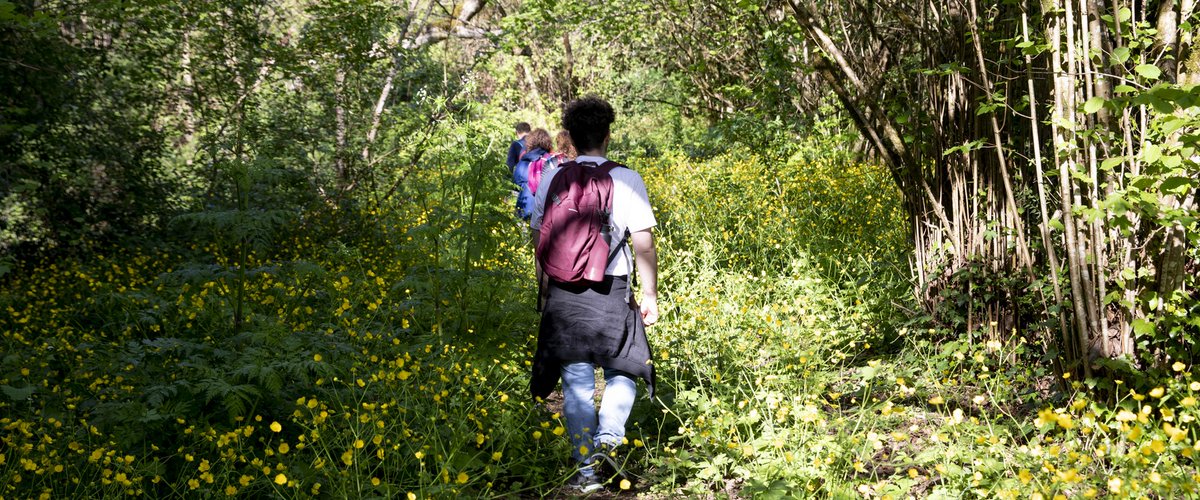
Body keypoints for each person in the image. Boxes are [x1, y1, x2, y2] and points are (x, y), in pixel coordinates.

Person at [529, 96, 659, 493]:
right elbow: (644, 243)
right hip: (612, 289)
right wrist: (650, 292)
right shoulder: (626, 178)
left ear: (569, 135)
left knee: (577, 382)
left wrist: (545, 288)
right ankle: (609, 438)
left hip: (565, 294)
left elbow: (539, 237)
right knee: (625, 368)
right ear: (606, 134)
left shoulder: (554, 177)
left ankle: (585, 474)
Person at [513, 128, 552, 220]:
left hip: (524, 206)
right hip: (544, 210)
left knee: (523, 232)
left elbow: (516, 183)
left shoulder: (524, 160)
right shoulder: (550, 160)